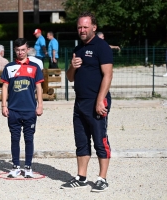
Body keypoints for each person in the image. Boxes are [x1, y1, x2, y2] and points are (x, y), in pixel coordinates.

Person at [63, 11, 113, 192]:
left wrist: (100, 101)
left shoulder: (102, 47)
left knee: (100, 140)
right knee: (81, 141)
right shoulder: (78, 49)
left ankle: (102, 178)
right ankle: (81, 177)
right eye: (79, 27)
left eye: (85, 26)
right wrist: (71, 67)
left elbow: (108, 75)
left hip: (97, 101)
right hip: (80, 102)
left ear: (94, 27)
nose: (82, 30)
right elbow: (70, 78)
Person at [1, 38, 44, 178]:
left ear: (28, 50)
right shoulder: (9, 67)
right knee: (14, 138)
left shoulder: (35, 67)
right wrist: (3, 105)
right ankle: (15, 166)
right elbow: (5, 86)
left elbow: (39, 87)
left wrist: (40, 105)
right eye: (18, 50)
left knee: (29, 139)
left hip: (30, 110)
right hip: (13, 110)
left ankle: (28, 166)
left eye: (23, 50)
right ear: (15, 50)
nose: (20, 52)